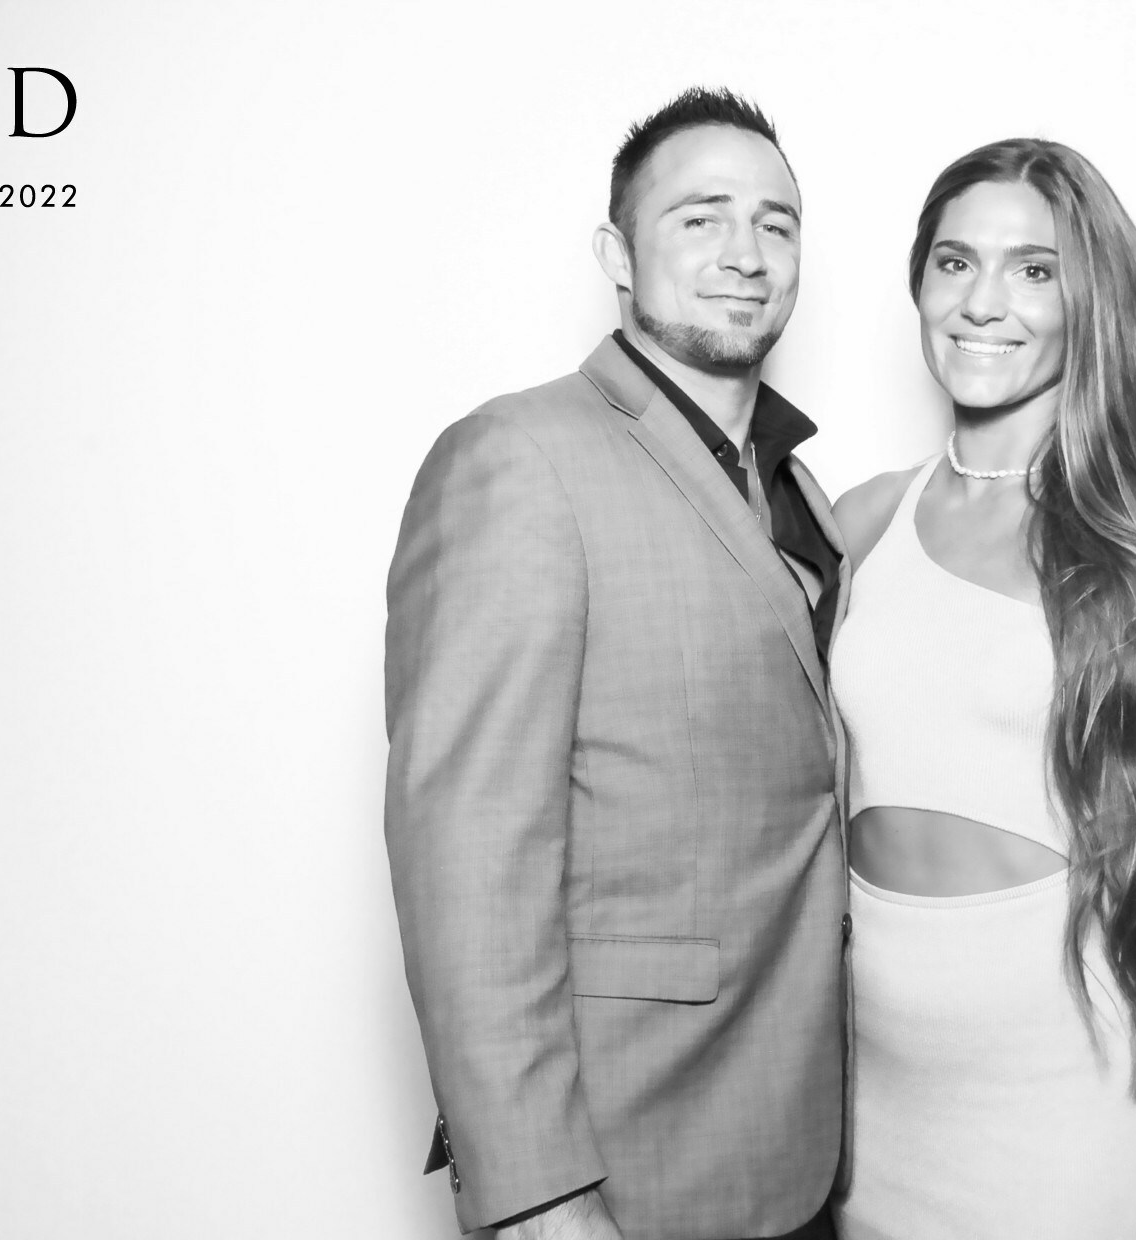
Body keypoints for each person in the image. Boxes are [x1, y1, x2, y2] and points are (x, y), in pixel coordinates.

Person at [383, 88, 849, 1240]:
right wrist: (535, 1193)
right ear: (616, 255)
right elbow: (468, 849)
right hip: (619, 1157)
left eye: (775, 224)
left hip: (797, 1141)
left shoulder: (799, 490)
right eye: (699, 218)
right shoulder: (518, 459)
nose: (745, 253)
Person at [828, 139, 1136, 1239]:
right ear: (918, 284)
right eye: (954, 262)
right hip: (870, 1105)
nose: (983, 302)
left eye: (1034, 270)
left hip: (1071, 1099)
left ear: (1089, 298)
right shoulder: (862, 521)